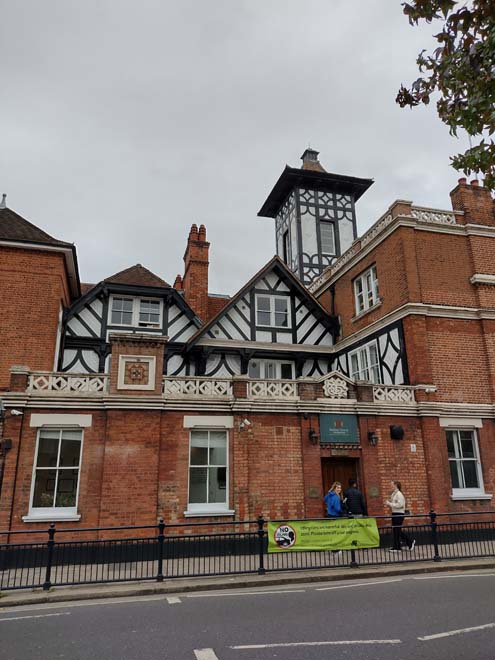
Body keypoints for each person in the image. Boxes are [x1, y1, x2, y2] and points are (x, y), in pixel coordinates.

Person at [385, 480, 415, 552]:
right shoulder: (394, 494)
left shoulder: (399, 494)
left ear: (395, 485)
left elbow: (400, 505)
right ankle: (398, 546)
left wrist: (390, 504)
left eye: (391, 485)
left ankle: (407, 543)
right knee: (396, 530)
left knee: (397, 530)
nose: (390, 486)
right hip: (395, 513)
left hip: (399, 514)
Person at [324, 481, 344, 555]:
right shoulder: (335, 497)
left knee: (332, 532)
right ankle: (336, 550)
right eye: (338, 488)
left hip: (329, 515)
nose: (339, 489)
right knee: (336, 533)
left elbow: (324, 499)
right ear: (334, 488)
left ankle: (333, 549)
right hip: (336, 516)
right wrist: (342, 512)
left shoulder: (329, 495)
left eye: (340, 488)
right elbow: (337, 508)